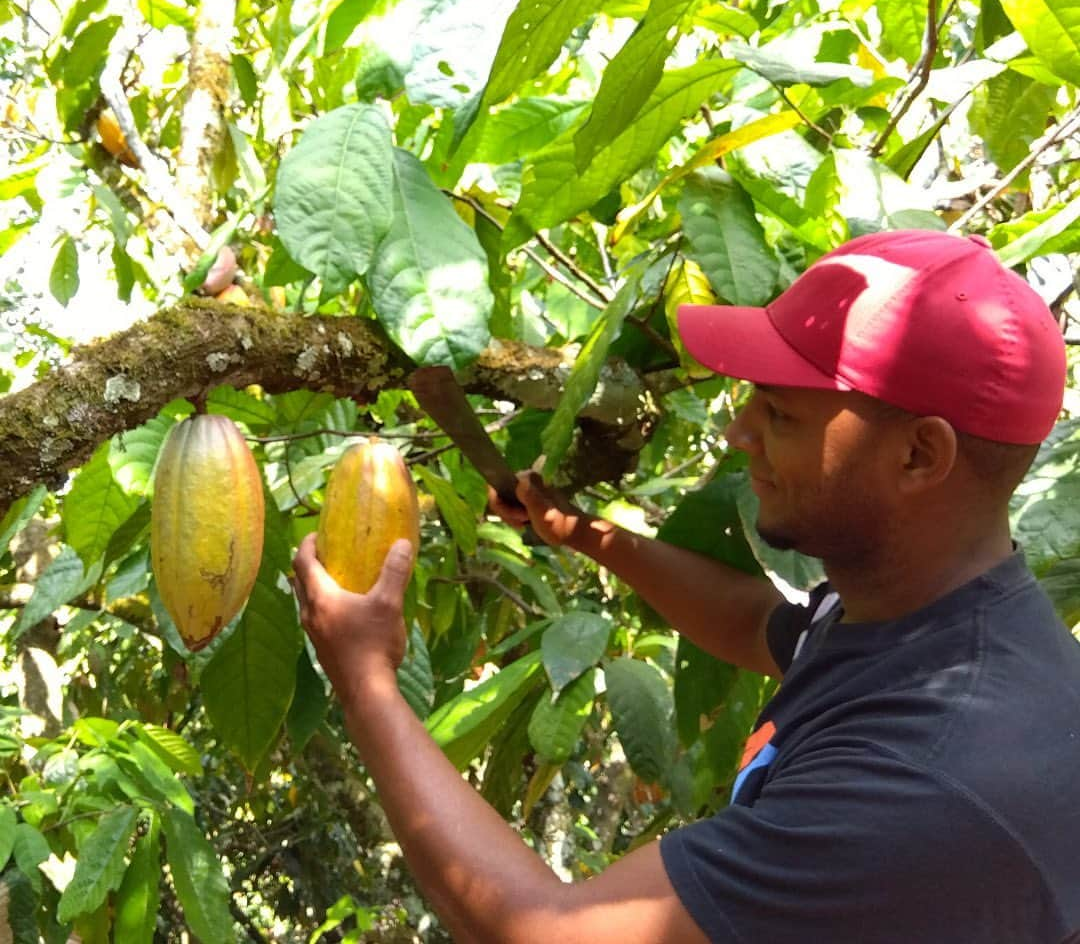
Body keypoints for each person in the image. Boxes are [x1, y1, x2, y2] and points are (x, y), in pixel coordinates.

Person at [292, 229, 1080, 943]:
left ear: (918, 457)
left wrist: (364, 682)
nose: (739, 433)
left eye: (778, 414)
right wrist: (581, 533)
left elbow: (544, 935)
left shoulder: (926, 779)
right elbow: (756, 622)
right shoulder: (918, 611)